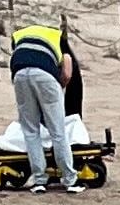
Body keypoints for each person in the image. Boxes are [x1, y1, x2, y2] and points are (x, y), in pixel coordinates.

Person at [9, 24, 84, 195]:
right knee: (58, 131)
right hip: (45, 75)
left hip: (19, 74)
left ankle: (39, 181)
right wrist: (59, 89)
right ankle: (70, 180)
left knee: (30, 131)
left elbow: (18, 58)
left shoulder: (19, 35)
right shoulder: (57, 37)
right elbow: (67, 71)